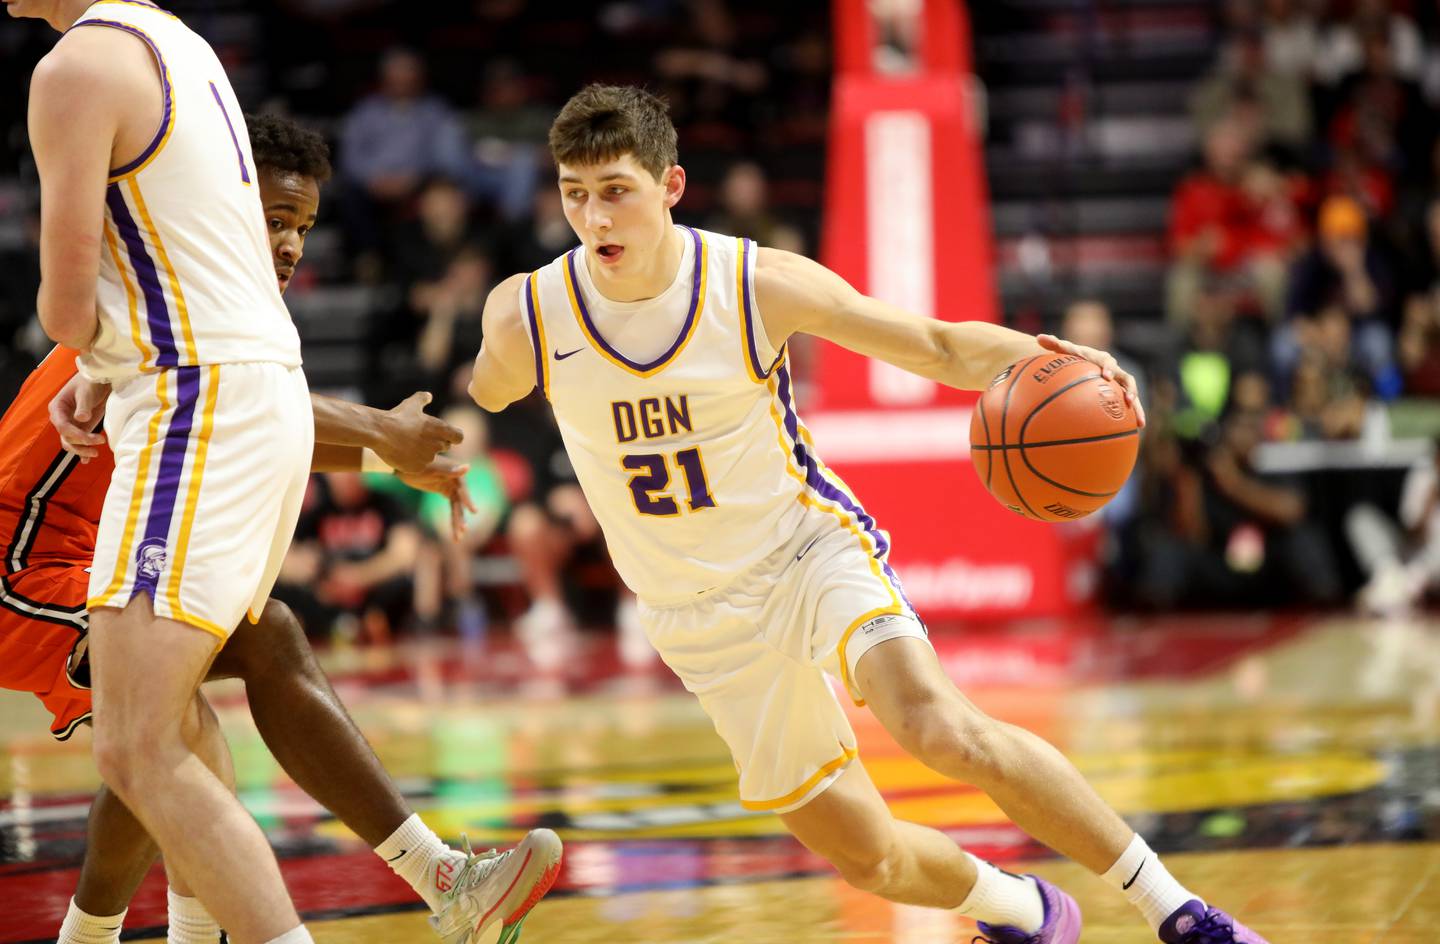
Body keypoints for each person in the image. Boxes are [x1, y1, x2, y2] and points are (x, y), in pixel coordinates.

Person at [467, 84, 1268, 944]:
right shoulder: (528, 312)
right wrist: (438, 448)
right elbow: (477, 401)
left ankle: (1180, 914)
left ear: (670, 186)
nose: (593, 217)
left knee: (941, 729)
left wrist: (1055, 362)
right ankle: (1027, 911)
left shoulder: (755, 283)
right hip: (691, 616)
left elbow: (935, 345)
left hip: (805, 553)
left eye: (615, 189)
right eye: (574, 193)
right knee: (869, 857)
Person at [5, 98, 556, 944]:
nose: (292, 243)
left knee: (161, 729)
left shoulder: (225, 321)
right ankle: (442, 879)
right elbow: (256, 410)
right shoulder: (155, 301)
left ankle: (98, 938)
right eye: (272, 218)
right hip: (15, 569)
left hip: (84, 557)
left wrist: (389, 456)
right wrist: (385, 434)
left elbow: (266, 423)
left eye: (302, 223)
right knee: (205, 692)